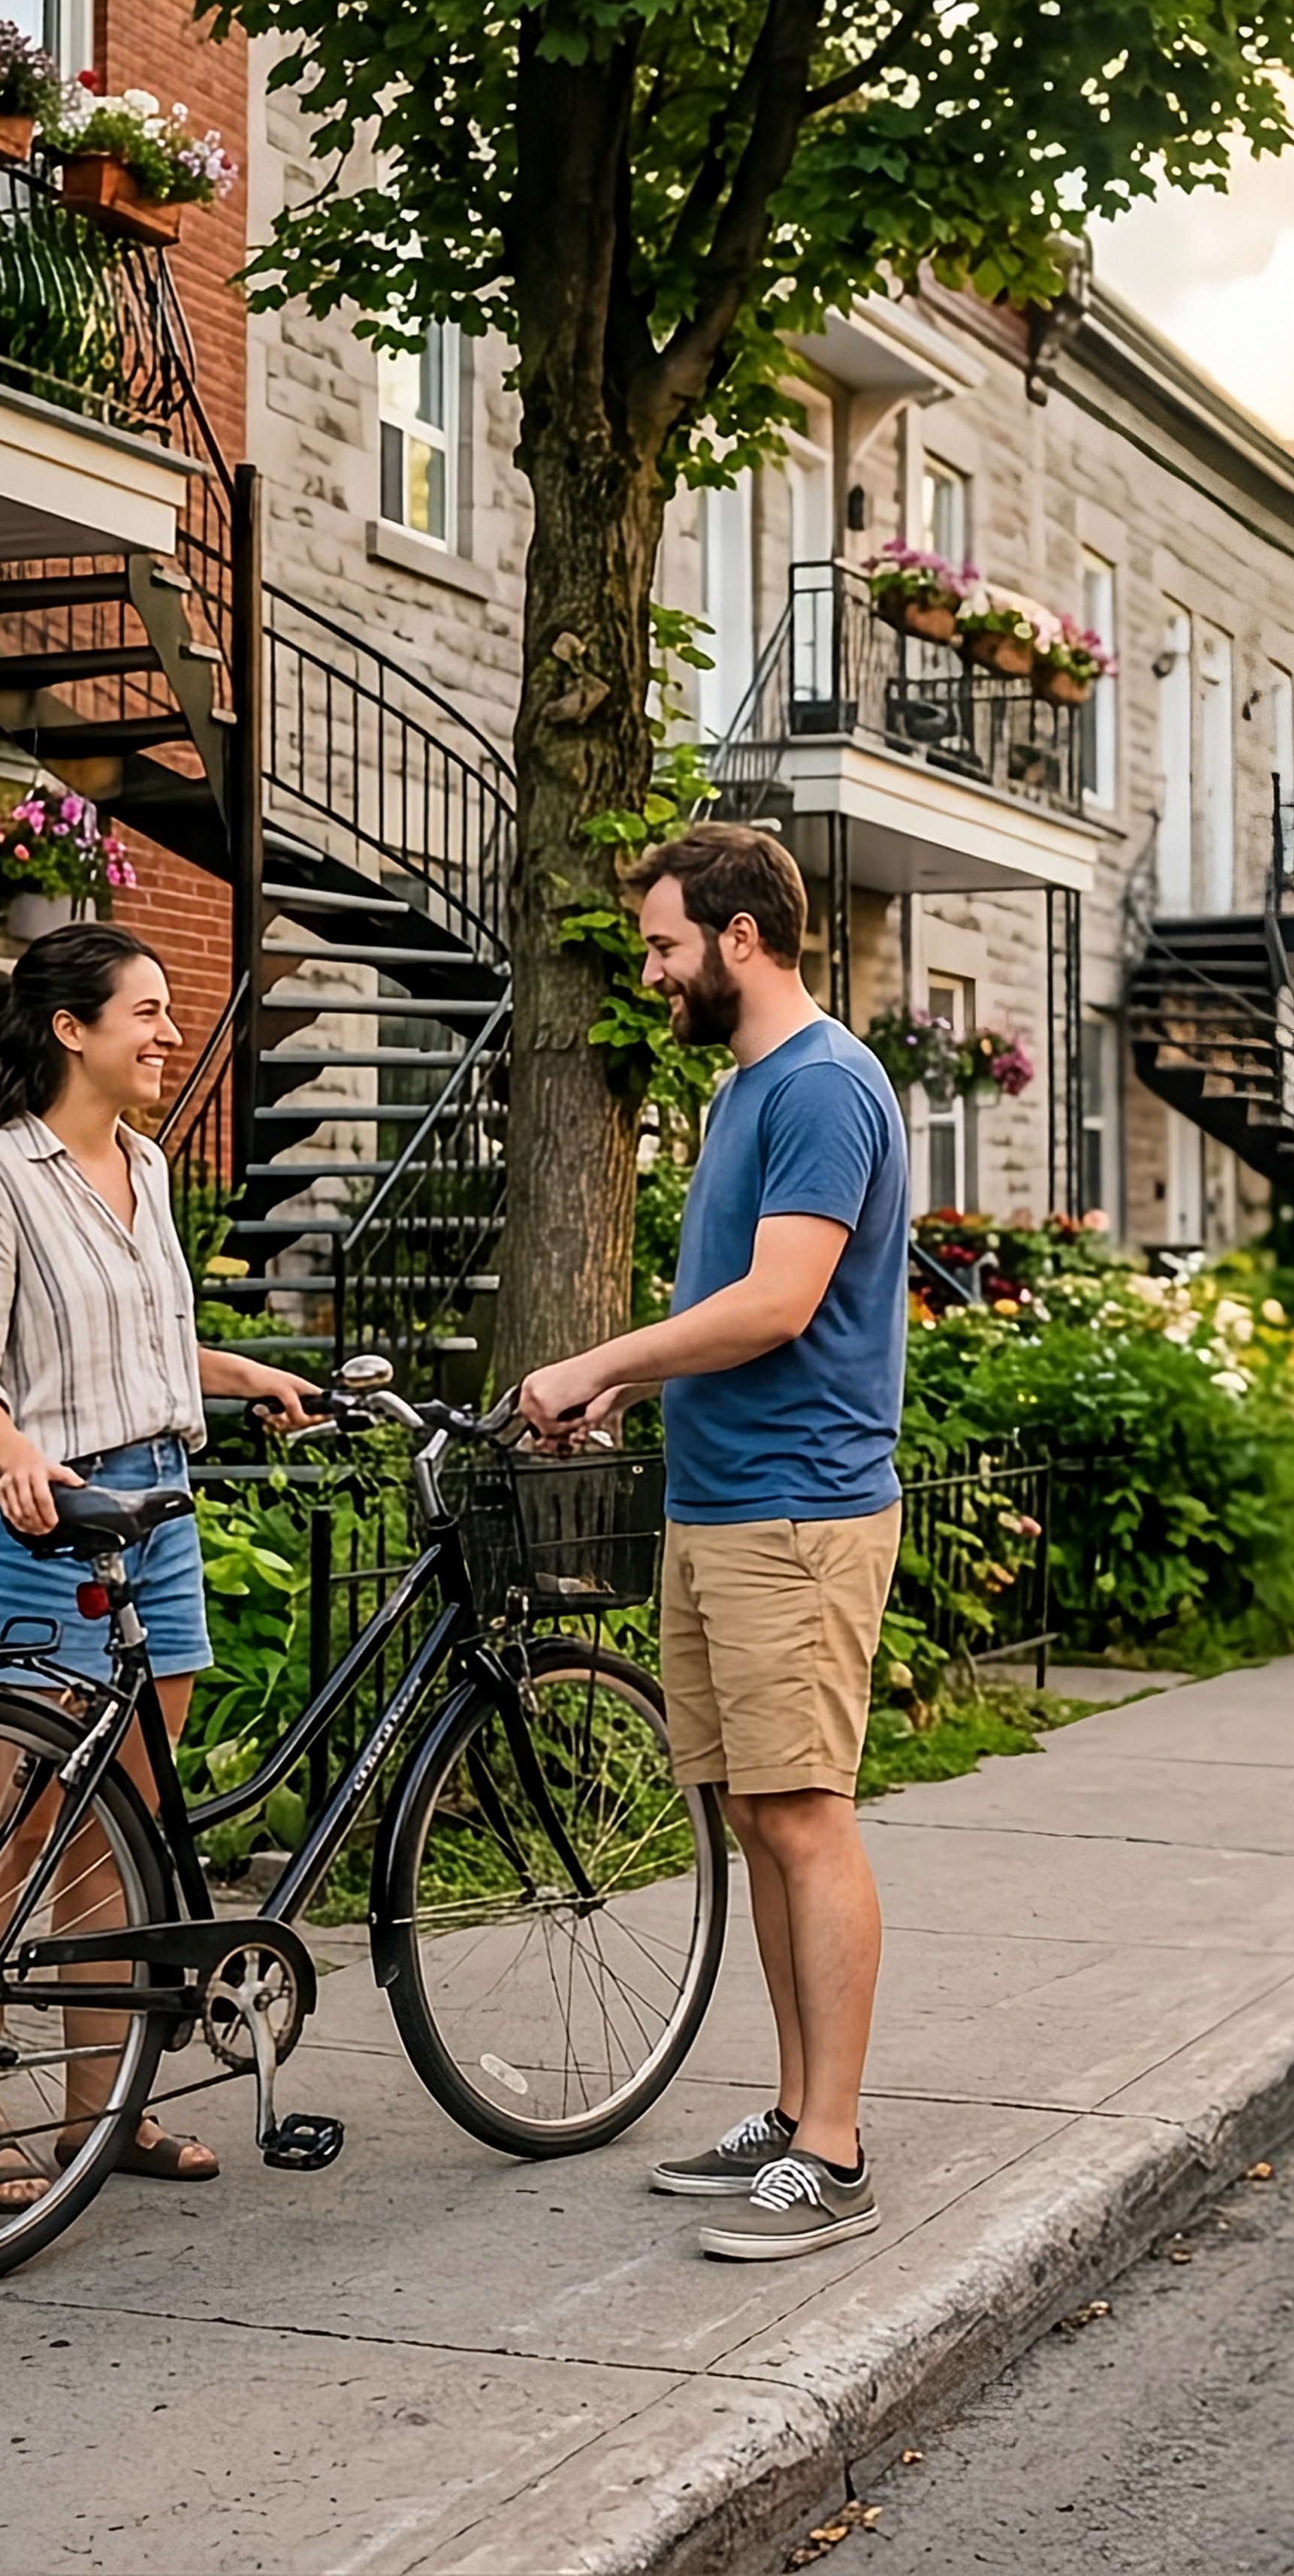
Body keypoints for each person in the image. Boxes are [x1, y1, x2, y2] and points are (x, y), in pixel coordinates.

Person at [522, 825, 907, 2261]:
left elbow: (781, 1302)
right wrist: (634, 1379)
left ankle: (836, 2149)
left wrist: (587, 1358)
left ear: (742, 939)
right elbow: (728, 1305)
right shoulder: (750, 1088)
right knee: (755, 1815)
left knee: (804, 1811)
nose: (653, 970)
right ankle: (796, 2105)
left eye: (666, 944)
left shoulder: (819, 1086)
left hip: (798, 1509)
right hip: (726, 1499)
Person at [0, 922, 316, 2213]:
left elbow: (147, 1347)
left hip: (160, 1518)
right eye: (145, 1011)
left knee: (120, 1843)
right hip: (34, 1535)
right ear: (71, 1030)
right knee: (8, 1844)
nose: (168, 1032)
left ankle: (106, 2118)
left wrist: (245, 1375)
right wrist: (11, 1456)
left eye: (169, 1009)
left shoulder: (143, 1165)